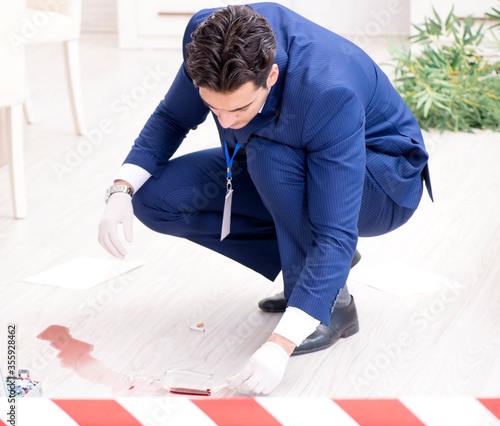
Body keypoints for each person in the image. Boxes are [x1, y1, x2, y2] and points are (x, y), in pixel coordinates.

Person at [98, 2, 433, 395]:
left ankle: (331, 302)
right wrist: (121, 188)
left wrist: (281, 344)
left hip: (382, 182)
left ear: (270, 74)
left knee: (272, 156)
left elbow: (337, 231)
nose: (225, 122)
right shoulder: (205, 37)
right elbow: (173, 118)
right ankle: (312, 268)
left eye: (240, 107)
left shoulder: (329, 91)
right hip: (286, 155)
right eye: (213, 107)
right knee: (157, 197)